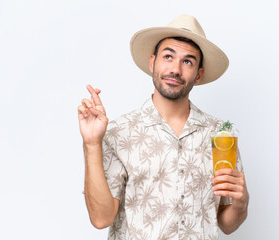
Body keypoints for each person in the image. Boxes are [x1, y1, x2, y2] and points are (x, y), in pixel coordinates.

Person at [78, 14, 249, 240]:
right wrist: (91, 144)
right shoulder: (120, 133)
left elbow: (226, 224)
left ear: (198, 74)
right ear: (153, 62)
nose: (175, 69)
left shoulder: (220, 135)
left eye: (187, 61)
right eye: (168, 56)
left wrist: (241, 203)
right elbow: (101, 218)